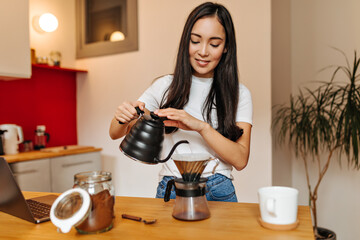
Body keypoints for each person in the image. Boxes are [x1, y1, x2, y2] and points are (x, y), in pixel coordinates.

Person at [109, 2, 252, 202]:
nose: (203, 51)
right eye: (195, 41)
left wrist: (201, 127)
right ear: (186, 41)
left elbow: (240, 159)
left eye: (214, 44)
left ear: (226, 47)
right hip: (171, 187)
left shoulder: (239, 93)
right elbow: (115, 133)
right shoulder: (165, 86)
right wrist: (122, 117)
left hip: (218, 188)